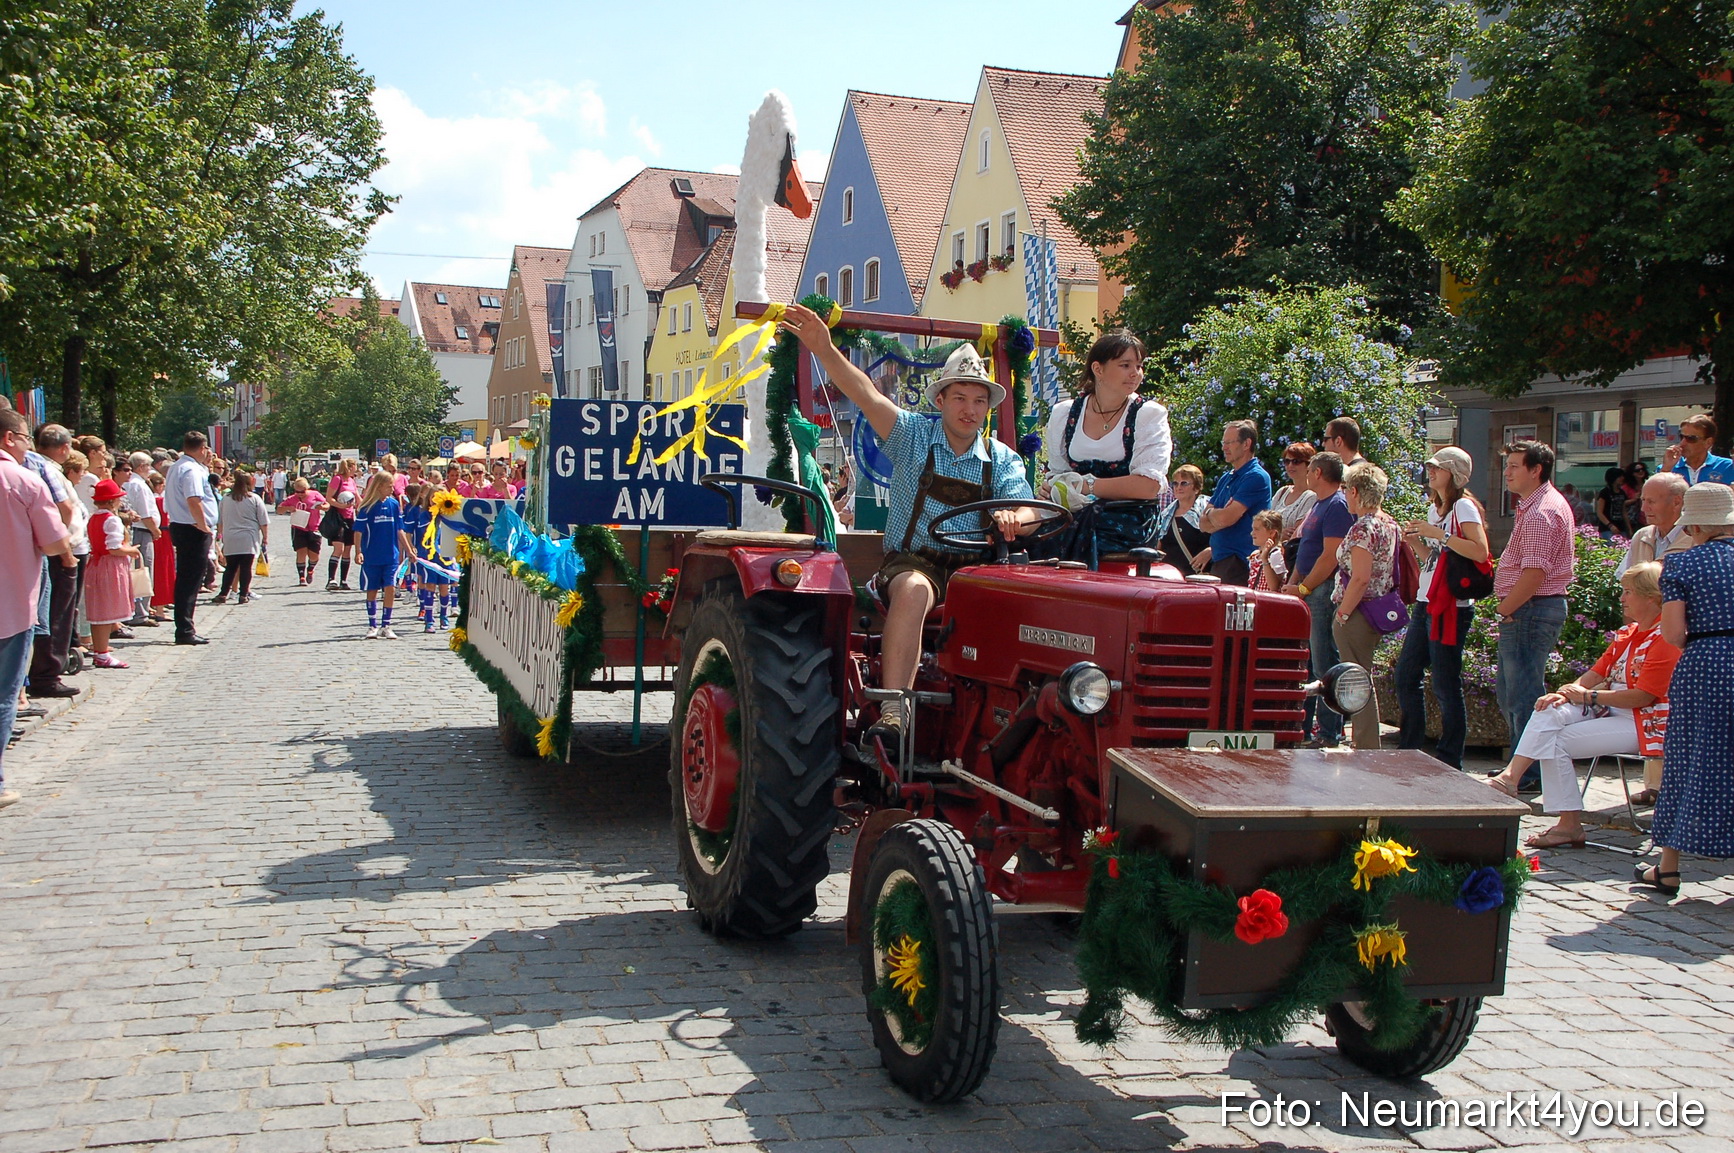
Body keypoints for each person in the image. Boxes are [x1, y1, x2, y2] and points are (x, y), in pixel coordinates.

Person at [779, 302, 1038, 740]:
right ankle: (896, 709)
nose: (969, 409)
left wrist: (1018, 516)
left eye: (978, 400)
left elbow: (1029, 510)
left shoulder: (1002, 458)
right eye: (960, 397)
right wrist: (823, 348)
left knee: (1031, 600)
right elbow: (865, 393)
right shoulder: (913, 434)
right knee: (916, 588)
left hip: (974, 570)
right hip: (913, 562)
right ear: (941, 399)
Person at [1487, 562, 1677, 849]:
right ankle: (1512, 778)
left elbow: (1642, 697)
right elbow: (1596, 674)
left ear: (1651, 597)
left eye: (1628, 592)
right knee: (1548, 708)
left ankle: (1565, 821)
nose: (1622, 598)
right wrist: (1565, 693)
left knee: (1553, 741)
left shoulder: (1665, 638)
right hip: (1610, 710)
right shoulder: (1629, 634)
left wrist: (1588, 697)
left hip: (1642, 722)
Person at [1641, 484, 1734, 896]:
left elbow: (1673, 632)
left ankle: (1669, 866)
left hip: (1706, 661)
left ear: (1693, 522)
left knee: (1687, 755)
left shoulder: (1683, 564)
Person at [1037, 330, 1171, 563]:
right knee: (1028, 539)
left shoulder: (1148, 414)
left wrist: (1086, 486)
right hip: (1074, 513)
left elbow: (1148, 486)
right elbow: (1058, 474)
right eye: (1125, 365)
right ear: (1098, 369)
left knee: (1083, 534)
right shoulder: (1065, 413)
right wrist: (1052, 488)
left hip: (1128, 520)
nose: (1135, 374)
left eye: (1139, 366)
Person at [1395, 447, 1490, 770]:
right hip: (1427, 600)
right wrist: (1416, 541)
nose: (1430, 471)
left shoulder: (1463, 507)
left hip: (1452, 606)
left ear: (1454, 474)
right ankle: (1411, 748)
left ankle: (1450, 757)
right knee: (1406, 675)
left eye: (1437, 467)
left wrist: (1439, 534)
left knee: (1445, 682)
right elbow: (1434, 560)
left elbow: (1480, 552)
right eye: (1430, 467)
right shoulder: (1435, 508)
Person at [0, 408, 73, 810]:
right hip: (10, 602)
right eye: (26, 437)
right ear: (9, 438)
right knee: (3, 693)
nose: (30, 444)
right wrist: (67, 555)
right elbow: (51, 541)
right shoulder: (22, 480)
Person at [1493, 441, 1575, 774]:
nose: (1507, 472)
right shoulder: (1535, 505)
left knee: (1523, 696)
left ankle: (1526, 773)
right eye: (1507, 465)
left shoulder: (1542, 511)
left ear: (1535, 470)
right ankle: (1521, 768)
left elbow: (1535, 571)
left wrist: (1506, 607)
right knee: (1512, 695)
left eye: (1514, 466)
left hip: (1531, 610)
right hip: (1527, 609)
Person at [1282, 452, 1353, 747]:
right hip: (1307, 589)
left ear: (1320, 473)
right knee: (1307, 663)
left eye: (1310, 469)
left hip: (1321, 592)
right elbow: (1306, 548)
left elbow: (1330, 556)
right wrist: (1293, 581)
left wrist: (1304, 588)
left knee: (1325, 662)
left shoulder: (1336, 505)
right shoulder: (1318, 505)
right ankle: (1304, 726)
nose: (1306, 475)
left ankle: (1329, 732)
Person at [1329, 462, 1401, 750]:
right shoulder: (1389, 523)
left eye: (1347, 490)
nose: (1345, 495)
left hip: (1357, 611)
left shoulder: (1364, 527)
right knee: (1361, 675)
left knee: (1357, 680)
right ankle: (1364, 740)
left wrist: (1343, 614)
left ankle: (1366, 743)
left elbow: (1360, 577)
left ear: (1355, 491)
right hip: (1376, 611)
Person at [26, 424, 81, 699]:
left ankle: (41, 673)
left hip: (47, 549)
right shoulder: (43, 467)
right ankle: (46, 674)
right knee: (54, 614)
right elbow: (64, 509)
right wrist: (63, 549)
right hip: (56, 551)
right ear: (64, 448)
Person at [1196, 419, 1271, 585]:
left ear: (1246, 444)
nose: (1224, 447)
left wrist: (1214, 515)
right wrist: (1215, 515)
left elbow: (1225, 518)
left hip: (1239, 563)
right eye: (1224, 442)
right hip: (1222, 561)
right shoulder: (1226, 477)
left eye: (1229, 442)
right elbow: (1202, 524)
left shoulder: (1256, 477)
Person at [163, 431, 218, 645]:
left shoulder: (178, 466)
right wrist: (203, 526)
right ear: (203, 448)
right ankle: (185, 630)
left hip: (181, 525)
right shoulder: (191, 470)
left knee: (188, 579)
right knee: (190, 580)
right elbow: (194, 500)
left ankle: (185, 626)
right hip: (192, 528)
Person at [83, 479, 143, 669]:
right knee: (105, 610)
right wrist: (131, 550)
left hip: (97, 564)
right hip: (109, 566)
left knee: (98, 611)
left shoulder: (94, 518)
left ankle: (101, 651)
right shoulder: (111, 519)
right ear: (111, 501)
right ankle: (102, 653)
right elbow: (113, 548)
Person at [354, 471, 412, 639]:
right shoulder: (366, 507)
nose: (392, 489)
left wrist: (408, 549)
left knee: (390, 588)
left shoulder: (394, 504)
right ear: (379, 486)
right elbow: (358, 531)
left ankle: (386, 625)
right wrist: (358, 551)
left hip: (391, 556)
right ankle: (372, 625)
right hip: (372, 555)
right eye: (389, 486)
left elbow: (400, 529)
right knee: (372, 590)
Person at [403, 484, 458, 632]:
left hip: (444, 555)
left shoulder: (449, 514)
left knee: (444, 588)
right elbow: (408, 531)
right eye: (433, 496)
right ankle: (429, 619)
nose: (436, 500)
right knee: (429, 586)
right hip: (427, 556)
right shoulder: (423, 514)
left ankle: (443, 616)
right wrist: (411, 548)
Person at [1617, 472, 1690, 579]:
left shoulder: (1696, 540)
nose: (1643, 508)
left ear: (1677, 502)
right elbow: (1626, 584)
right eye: (1643, 500)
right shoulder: (1641, 536)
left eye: (1651, 501)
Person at [116, 455, 160, 628]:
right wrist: (155, 530)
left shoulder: (134, 483)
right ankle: (139, 611)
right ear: (141, 466)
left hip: (141, 529)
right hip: (143, 530)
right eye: (148, 466)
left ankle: (140, 609)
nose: (150, 470)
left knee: (141, 569)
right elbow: (145, 512)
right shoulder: (138, 485)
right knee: (143, 570)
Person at [213, 471, 269, 604]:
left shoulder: (226, 498)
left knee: (231, 567)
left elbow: (220, 520)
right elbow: (263, 521)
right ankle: (243, 594)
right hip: (248, 537)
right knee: (246, 567)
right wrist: (265, 537)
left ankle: (223, 593)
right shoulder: (254, 498)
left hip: (231, 536)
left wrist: (220, 535)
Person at [1154, 465, 1211, 571]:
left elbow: (1224, 538)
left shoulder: (1208, 509)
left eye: (1184, 483)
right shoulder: (1165, 515)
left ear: (1197, 487)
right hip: (1171, 578)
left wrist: (1211, 551)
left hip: (1200, 578)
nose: (1178, 487)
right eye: (1175, 483)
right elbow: (1158, 546)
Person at [1662, 413, 1734, 487]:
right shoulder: (1667, 468)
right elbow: (1657, 496)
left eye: (1691, 438)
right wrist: (1666, 469)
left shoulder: (1728, 467)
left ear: (1708, 442)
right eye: (1681, 437)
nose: (1682, 443)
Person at [280, 477, 327, 586]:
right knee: (301, 551)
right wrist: (288, 508)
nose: (299, 494)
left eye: (302, 491)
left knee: (314, 555)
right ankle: (301, 577)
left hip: (314, 528)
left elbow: (327, 505)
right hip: (298, 527)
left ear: (307, 488)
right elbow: (279, 509)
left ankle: (310, 569)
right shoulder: (292, 498)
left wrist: (322, 507)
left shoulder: (315, 494)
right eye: (297, 491)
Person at [324, 457, 360, 590]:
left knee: (348, 549)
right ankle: (331, 579)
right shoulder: (337, 479)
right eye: (355, 466)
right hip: (338, 518)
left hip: (350, 517)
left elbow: (357, 497)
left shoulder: (351, 481)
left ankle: (343, 580)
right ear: (350, 467)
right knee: (339, 548)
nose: (356, 469)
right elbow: (329, 498)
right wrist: (340, 505)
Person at [1272, 442, 1318, 540]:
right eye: (1287, 461)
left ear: (1308, 465)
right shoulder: (1282, 492)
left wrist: (1274, 534)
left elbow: (1296, 534)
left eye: (1296, 461)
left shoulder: (1312, 496)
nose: (1290, 465)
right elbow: (1264, 523)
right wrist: (1279, 534)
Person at [148, 471, 175, 623]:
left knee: (158, 570)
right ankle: (159, 607)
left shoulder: (155, 499)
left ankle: (156, 605)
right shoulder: (160, 500)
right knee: (162, 571)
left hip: (161, 534)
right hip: (163, 535)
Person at [1249, 510, 1288, 591]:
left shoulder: (1275, 555)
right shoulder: (1255, 555)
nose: (1252, 533)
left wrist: (1265, 559)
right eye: (1253, 529)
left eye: (1257, 529)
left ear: (1272, 533)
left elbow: (1274, 587)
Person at [1594, 466, 1628, 540]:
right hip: (1607, 529)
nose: (1622, 478)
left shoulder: (1622, 493)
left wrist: (1629, 528)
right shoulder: (1604, 492)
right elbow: (1599, 512)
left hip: (1621, 527)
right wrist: (1610, 525)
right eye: (1619, 476)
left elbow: (1624, 511)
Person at [1622, 461, 1648, 531]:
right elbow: (1621, 503)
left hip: (1648, 518)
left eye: (1642, 469)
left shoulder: (1648, 484)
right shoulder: (1626, 487)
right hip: (1633, 521)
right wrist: (1634, 499)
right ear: (1632, 473)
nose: (1641, 471)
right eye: (1637, 470)